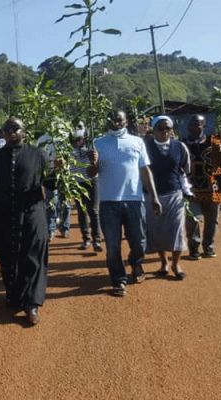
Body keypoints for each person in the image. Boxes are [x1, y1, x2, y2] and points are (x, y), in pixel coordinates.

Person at [0, 117, 49, 326]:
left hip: (32, 213)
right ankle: (13, 294)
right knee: (6, 256)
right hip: (2, 214)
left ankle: (32, 303)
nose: (12, 132)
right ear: (2, 134)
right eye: (7, 129)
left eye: (16, 128)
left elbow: (51, 183)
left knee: (33, 256)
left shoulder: (38, 155)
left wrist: (58, 170)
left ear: (25, 131)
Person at [87, 110, 162, 297]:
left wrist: (154, 196)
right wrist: (93, 163)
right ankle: (118, 280)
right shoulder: (98, 143)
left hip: (134, 200)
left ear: (126, 121)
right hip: (108, 202)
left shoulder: (137, 142)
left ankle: (136, 263)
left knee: (139, 241)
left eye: (119, 119)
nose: (116, 122)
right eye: (112, 118)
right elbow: (91, 174)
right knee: (113, 246)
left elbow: (145, 171)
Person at [144, 116, 190, 279]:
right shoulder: (146, 147)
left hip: (174, 193)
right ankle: (163, 262)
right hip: (151, 195)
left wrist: (187, 190)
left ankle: (176, 264)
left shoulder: (179, 147)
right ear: (153, 130)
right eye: (161, 129)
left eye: (168, 128)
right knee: (156, 230)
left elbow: (184, 169)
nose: (165, 132)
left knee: (177, 229)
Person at [183, 114, 221, 259]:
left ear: (204, 126)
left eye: (197, 124)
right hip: (191, 187)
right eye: (191, 124)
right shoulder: (183, 143)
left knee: (212, 219)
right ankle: (194, 248)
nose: (193, 127)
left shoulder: (215, 141)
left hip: (214, 185)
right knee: (192, 219)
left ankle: (208, 246)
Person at [71, 127, 102, 252]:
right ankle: (86, 239)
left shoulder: (91, 148)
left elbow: (96, 165)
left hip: (91, 181)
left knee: (93, 210)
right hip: (77, 182)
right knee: (81, 211)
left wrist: (94, 159)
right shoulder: (69, 151)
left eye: (79, 139)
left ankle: (97, 240)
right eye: (74, 140)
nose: (77, 142)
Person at [37, 133, 70, 239]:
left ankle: (64, 227)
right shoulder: (42, 139)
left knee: (65, 202)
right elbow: (40, 157)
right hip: (49, 174)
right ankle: (51, 229)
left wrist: (63, 163)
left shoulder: (63, 136)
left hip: (63, 173)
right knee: (50, 203)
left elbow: (70, 154)